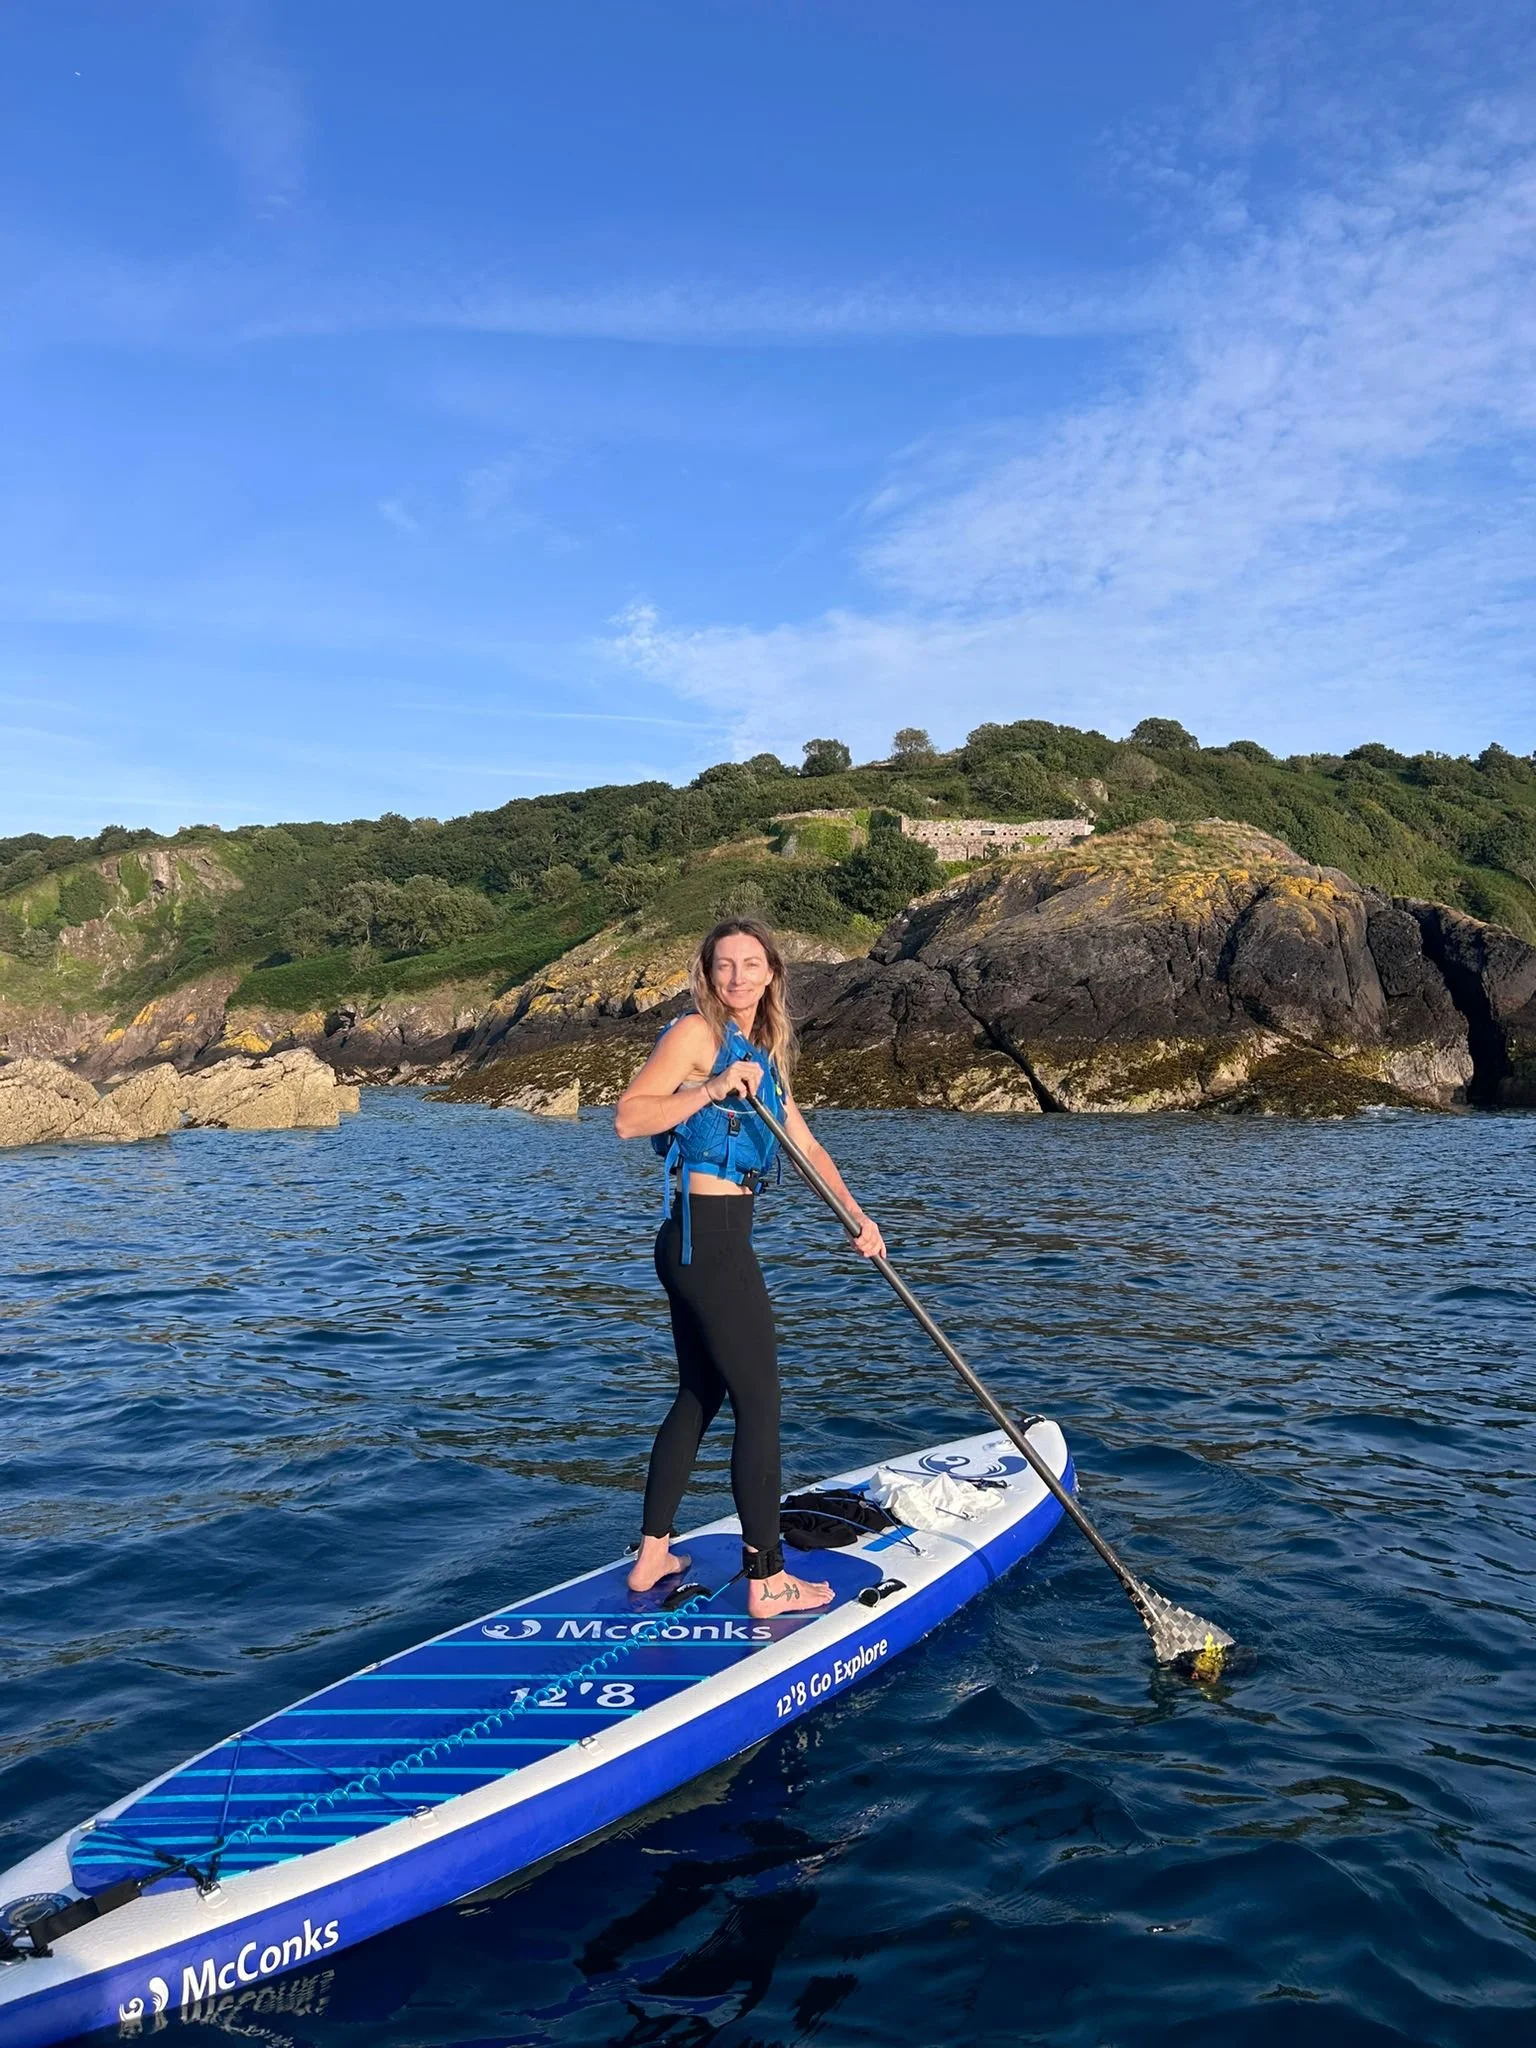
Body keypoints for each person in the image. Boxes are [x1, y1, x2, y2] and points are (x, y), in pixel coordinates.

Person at [614, 917, 886, 1618]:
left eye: (750, 964)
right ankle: (768, 1580)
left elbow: (809, 1149)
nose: (736, 976)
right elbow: (629, 1116)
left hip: (702, 1242)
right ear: (706, 973)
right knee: (760, 1405)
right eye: (723, 964)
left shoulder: (763, 1053)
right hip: (709, 1242)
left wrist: (858, 1218)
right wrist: (708, 1089)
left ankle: (652, 1555)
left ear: (771, 974)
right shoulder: (696, 1036)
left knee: (700, 1395)